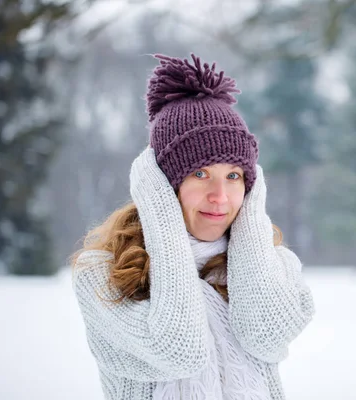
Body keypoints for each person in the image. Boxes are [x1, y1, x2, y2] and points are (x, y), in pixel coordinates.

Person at [70, 53, 315, 400]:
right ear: (163, 185)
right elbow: (179, 351)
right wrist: (162, 218)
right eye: (200, 174)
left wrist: (250, 220)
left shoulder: (275, 266)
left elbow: (266, 336)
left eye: (233, 176)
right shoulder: (103, 275)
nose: (220, 196)